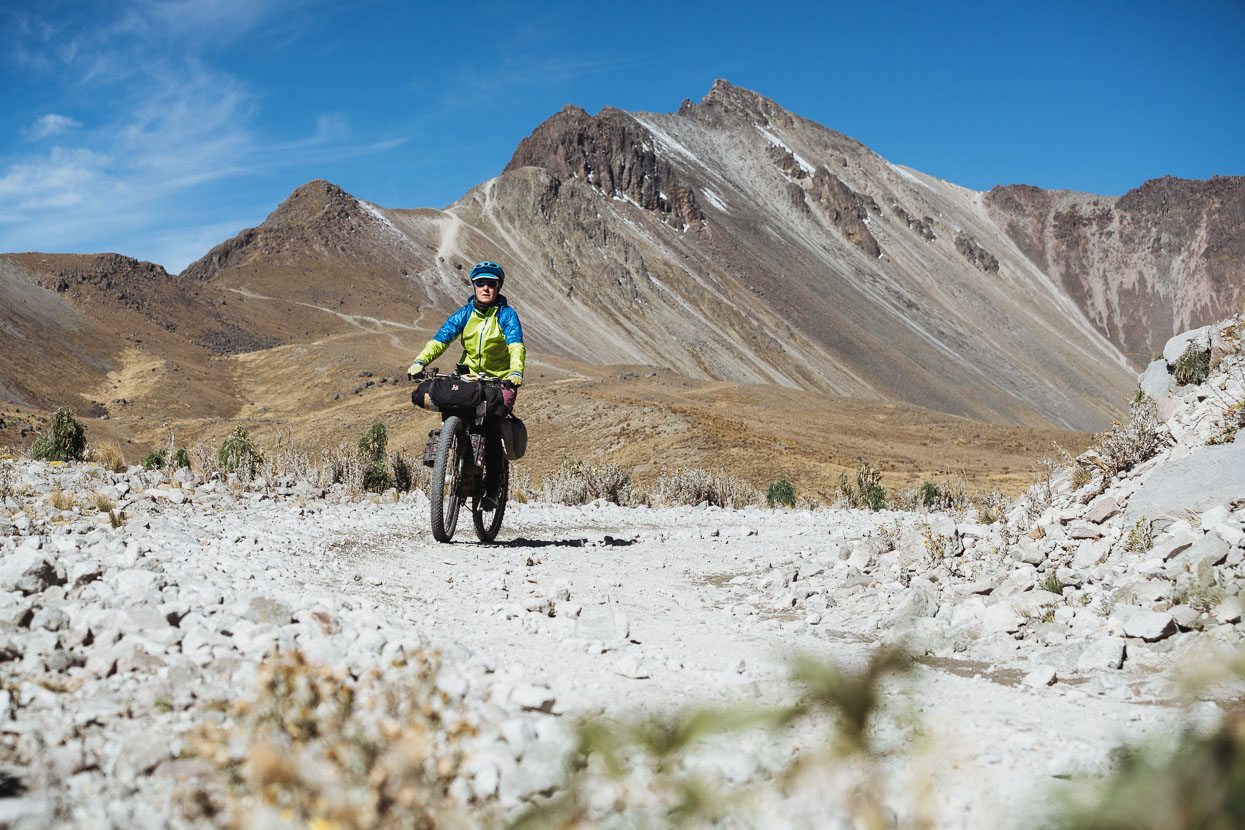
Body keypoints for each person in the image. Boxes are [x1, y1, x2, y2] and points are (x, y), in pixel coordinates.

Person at [408, 261, 525, 510]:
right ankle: (450, 450)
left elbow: (516, 344)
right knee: (451, 406)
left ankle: (492, 489)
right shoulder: (464, 314)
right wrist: (420, 361)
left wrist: (515, 371)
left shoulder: (506, 315)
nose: (485, 288)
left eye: (491, 284)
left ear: (498, 287)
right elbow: (441, 339)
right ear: (473, 286)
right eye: (480, 283)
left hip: (499, 379)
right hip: (469, 378)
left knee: (492, 428)